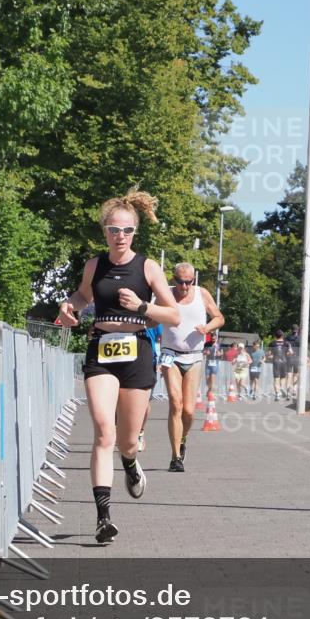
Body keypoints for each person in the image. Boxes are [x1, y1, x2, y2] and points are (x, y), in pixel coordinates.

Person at [58, 190, 180, 544]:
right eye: (114, 230)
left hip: (137, 351)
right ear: (105, 231)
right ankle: (103, 517)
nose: (120, 236)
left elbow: (172, 314)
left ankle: (129, 462)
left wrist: (143, 307)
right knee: (102, 431)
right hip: (101, 350)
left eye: (127, 231)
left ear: (135, 233)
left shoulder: (148, 267)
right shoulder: (95, 265)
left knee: (127, 441)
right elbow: (83, 296)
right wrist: (71, 307)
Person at [161, 262, 224, 473]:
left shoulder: (202, 294)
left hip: (194, 357)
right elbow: (151, 316)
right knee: (175, 403)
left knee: (188, 411)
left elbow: (219, 317)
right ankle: (175, 457)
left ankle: (182, 438)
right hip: (169, 355)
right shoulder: (166, 294)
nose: (184, 287)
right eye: (180, 282)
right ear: (174, 279)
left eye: (188, 282)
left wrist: (207, 327)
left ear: (193, 280)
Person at [137, 321, 164, 453]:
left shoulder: (154, 315)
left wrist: (163, 361)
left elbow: (164, 338)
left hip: (148, 360)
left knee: (144, 402)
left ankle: (140, 433)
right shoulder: (125, 311)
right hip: (124, 359)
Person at [268, 329, 293, 399]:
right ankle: (282, 388)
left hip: (276, 362)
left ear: (275, 336)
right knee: (283, 377)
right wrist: (285, 353)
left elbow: (269, 355)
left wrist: (271, 356)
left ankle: (277, 394)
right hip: (284, 361)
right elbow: (291, 352)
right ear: (282, 336)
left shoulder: (272, 343)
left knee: (276, 378)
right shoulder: (287, 343)